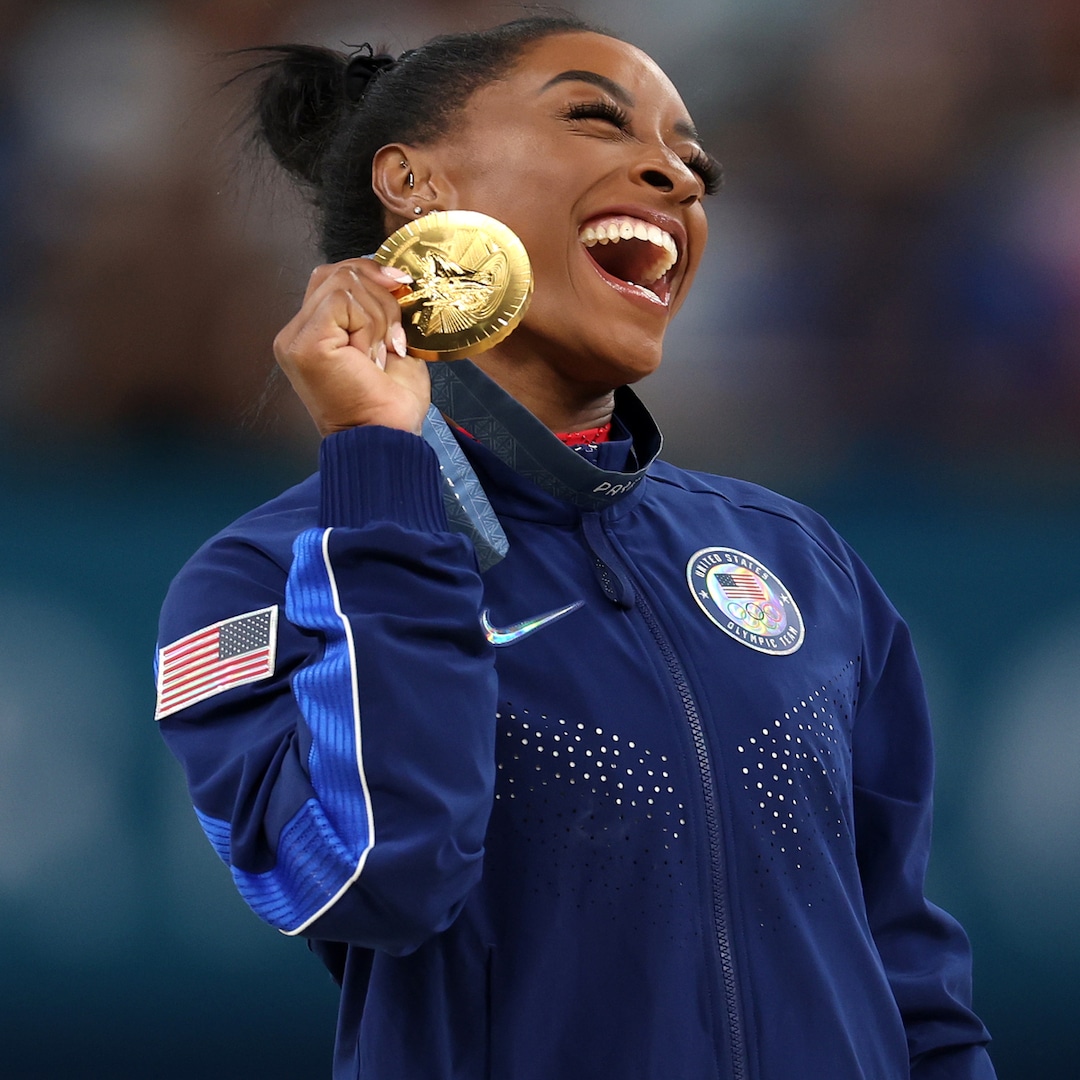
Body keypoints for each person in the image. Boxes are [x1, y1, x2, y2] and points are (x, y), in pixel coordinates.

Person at [155, 14, 996, 1079]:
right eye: (595, 119)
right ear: (412, 183)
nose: (680, 176)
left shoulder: (794, 558)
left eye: (697, 162)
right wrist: (378, 467)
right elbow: (376, 875)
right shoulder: (264, 576)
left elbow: (910, 980)